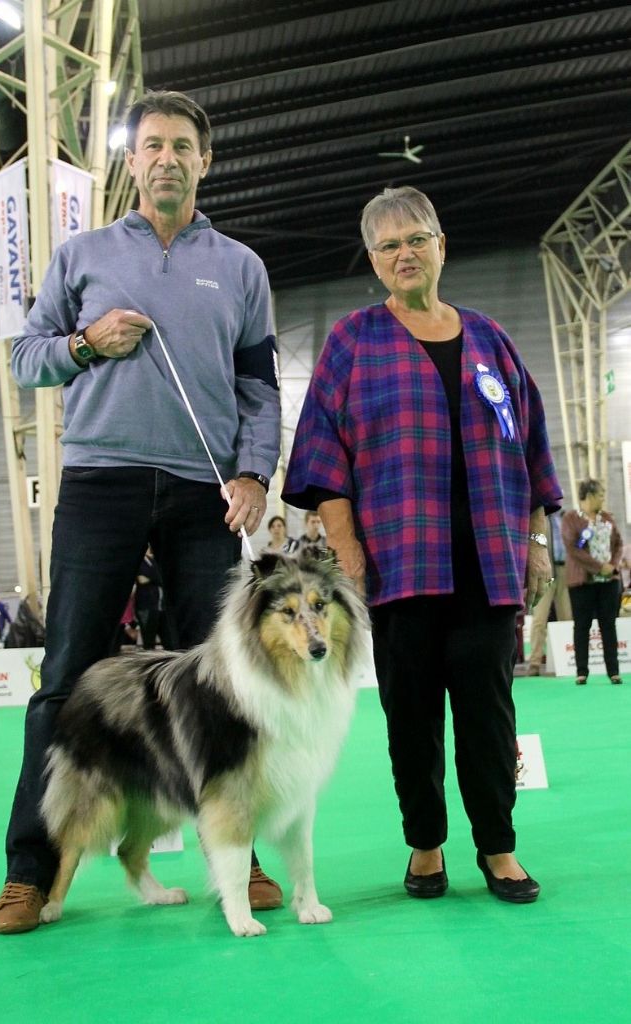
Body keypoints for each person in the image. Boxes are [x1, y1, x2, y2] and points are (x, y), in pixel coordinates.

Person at [0, 89, 282, 935]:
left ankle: (242, 860)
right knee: (68, 676)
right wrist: (88, 343)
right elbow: (30, 360)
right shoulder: (82, 254)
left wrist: (256, 473)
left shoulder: (240, 267)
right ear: (131, 161)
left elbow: (260, 390)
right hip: (100, 483)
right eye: (151, 144)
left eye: (182, 145)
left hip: (204, 496)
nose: (166, 158)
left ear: (204, 161)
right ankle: (31, 872)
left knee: (227, 687)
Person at [282, 185, 562, 904]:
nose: (405, 253)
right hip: (400, 567)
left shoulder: (492, 339)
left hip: (489, 568)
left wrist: (535, 541)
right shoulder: (351, 342)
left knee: (489, 718)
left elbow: (533, 450)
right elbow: (323, 462)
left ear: (441, 246)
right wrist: (349, 553)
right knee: (411, 720)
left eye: (417, 239)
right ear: (374, 261)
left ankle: (499, 850)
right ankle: (426, 847)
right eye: (388, 245)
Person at [561, 479, 624, 685]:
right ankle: (581, 672)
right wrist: (599, 567)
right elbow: (574, 549)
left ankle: (613, 671)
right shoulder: (571, 519)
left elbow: (619, 544)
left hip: (608, 582)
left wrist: (612, 566)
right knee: (582, 626)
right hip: (582, 582)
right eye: (600, 494)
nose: (603, 498)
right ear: (588, 496)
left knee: (609, 625)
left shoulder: (607, 518)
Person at [527, 507, 572, 675]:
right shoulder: (539, 517)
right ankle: (535, 663)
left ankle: (569, 660)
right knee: (539, 618)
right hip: (546, 570)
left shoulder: (566, 517)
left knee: (567, 617)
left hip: (563, 570)